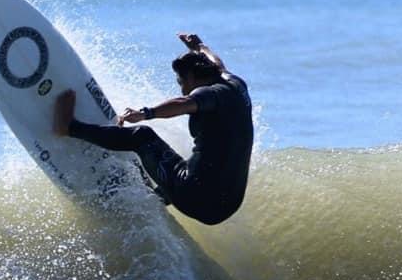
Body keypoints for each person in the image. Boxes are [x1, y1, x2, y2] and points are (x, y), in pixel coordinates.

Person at [53, 33, 253, 225]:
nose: (182, 87)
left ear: (192, 77)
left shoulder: (208, 94)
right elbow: (217, 63)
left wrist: (145, 113)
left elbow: (184, 102)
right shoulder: (233, 83)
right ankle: (147, 204)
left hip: (197, 198)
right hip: (227, 204)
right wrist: (199, 47)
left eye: (181, 82)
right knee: (191, 164)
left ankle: (69, 127)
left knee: (142, 136)